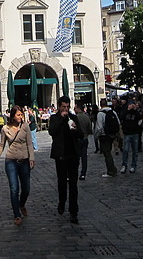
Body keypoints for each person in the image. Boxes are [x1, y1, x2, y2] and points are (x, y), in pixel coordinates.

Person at [0, 105, 35, 226]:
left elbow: (29, 144)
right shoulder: (5, 129)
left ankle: (21, 204)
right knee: (14, 188)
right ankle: (17, 214)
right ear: (12, 116)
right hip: (11, 161)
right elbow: (2, 145)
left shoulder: (25, 127)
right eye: (18, 115)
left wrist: (31, 158)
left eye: (21, 114)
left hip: (24, 160)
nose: (20, 117)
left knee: (26, 188)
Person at [48, 96, 82, 224]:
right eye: (63, 107)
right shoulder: (55, 118)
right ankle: (62, 202)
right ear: (59, 106)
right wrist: (62, 120)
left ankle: (74, 211)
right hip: (60, 155)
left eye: (67, 107)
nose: (66, 109)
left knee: (73, 184)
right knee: (62, 182)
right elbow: (52, 131)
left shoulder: (73, 118)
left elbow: (81, 135)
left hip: (73, 154)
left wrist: (75, 129)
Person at [94, 98, 119, 177]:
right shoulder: (113, 112)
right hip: (112, 135)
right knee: (109, 152)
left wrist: (96, 136)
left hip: (104, 136)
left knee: (107, 153)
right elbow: (118, 122)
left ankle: (111, 171)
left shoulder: (100, 114)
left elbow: (99, 127)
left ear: (101, 105)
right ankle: (112, 169)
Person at [120, 100, 141, 174]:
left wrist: (135, 110)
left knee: (135, 151)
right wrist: (128, 110)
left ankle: (133, 165)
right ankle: (124, 165)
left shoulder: (136, 112)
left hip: (135, 132)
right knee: (125, 150)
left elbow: (139, 117)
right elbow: (121, 117)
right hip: (127, 133)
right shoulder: (124, 111)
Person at [74, 104, 93, 180]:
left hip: (77, 139)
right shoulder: (86, 117)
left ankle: (75, 172)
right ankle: (83, 173)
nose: (74, 110)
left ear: (78, 109)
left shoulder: (75, 118)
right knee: (84, 157)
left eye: (75, 108)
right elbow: (89, 129)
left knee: (76, 157)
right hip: (85, 138)